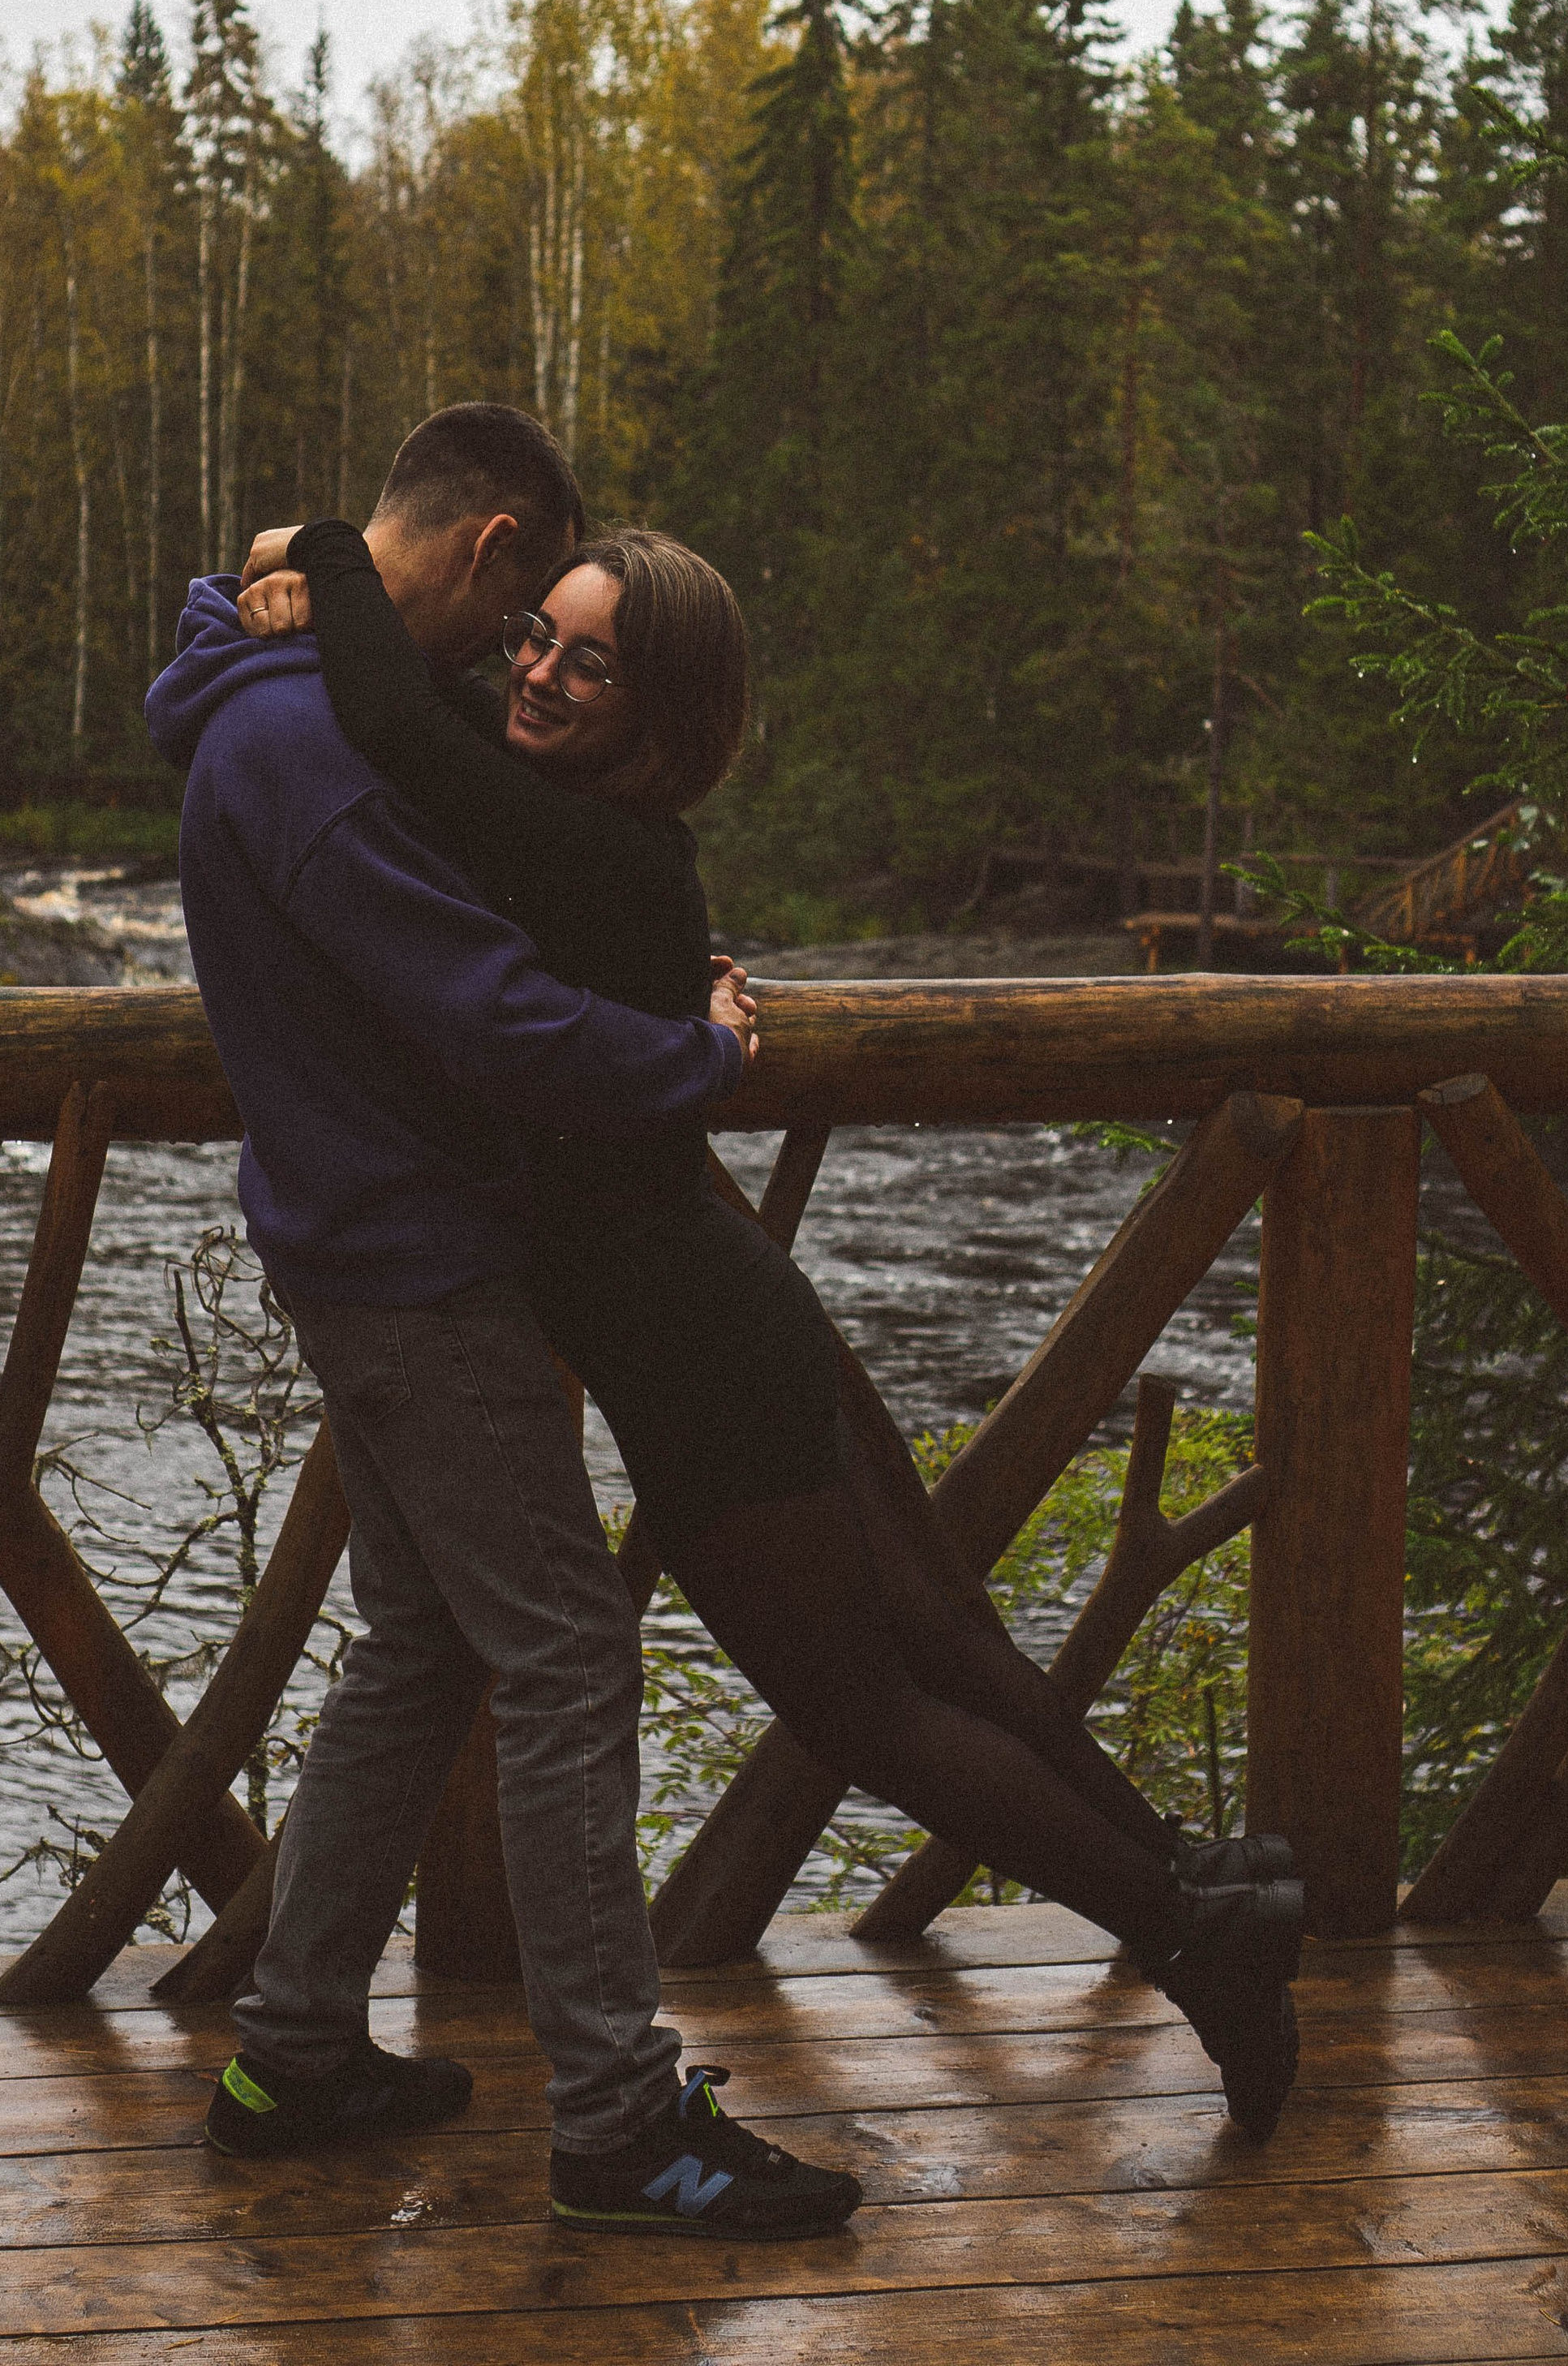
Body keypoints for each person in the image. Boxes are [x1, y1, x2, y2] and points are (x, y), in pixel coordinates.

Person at [235, 506, 1306, 2145]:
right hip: (731, 1303)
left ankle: (1187, 1941)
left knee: (866, 1714)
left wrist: (326, 536)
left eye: (585, 661)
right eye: (535, 635)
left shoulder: (570, 845)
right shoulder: (595, 829)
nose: (535, 671)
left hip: (693, 1357)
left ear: (657, 714)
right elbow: (433, 705)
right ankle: (1190, 1877)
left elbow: (391, 713)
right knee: (945, 1639)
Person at [147, 402, 862, 2241]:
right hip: (409, 1262)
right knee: (564, 1657)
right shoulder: (305, 744)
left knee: (416, 1641)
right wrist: (693, 1058)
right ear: (486, 555)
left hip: (352, 1236)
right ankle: (622, 2127)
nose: (513, 660)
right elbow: (489, 1017)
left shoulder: (265, 689)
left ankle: (294, 2047)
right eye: (522, 611)